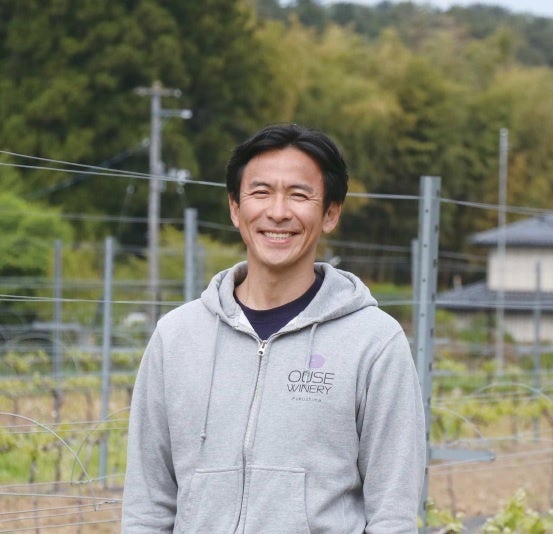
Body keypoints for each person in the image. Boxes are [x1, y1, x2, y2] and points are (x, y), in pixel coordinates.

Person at [121, 123, 426, 533]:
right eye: (261, 192)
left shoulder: (374, 341)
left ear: (330, 213)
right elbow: (147, 507)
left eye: (299, 195)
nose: (278, 212)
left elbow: (393, 515)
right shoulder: (176, 337)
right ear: (235, 208)